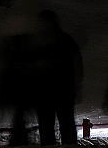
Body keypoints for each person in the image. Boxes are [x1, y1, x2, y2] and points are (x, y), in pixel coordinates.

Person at [31, 10, 83, 146]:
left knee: (48, 127)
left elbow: (33, 68)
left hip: (47, 92)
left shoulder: (39, 42)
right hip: (62, 91)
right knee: (66, 125)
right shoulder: (66, 40)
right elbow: (77, 66)